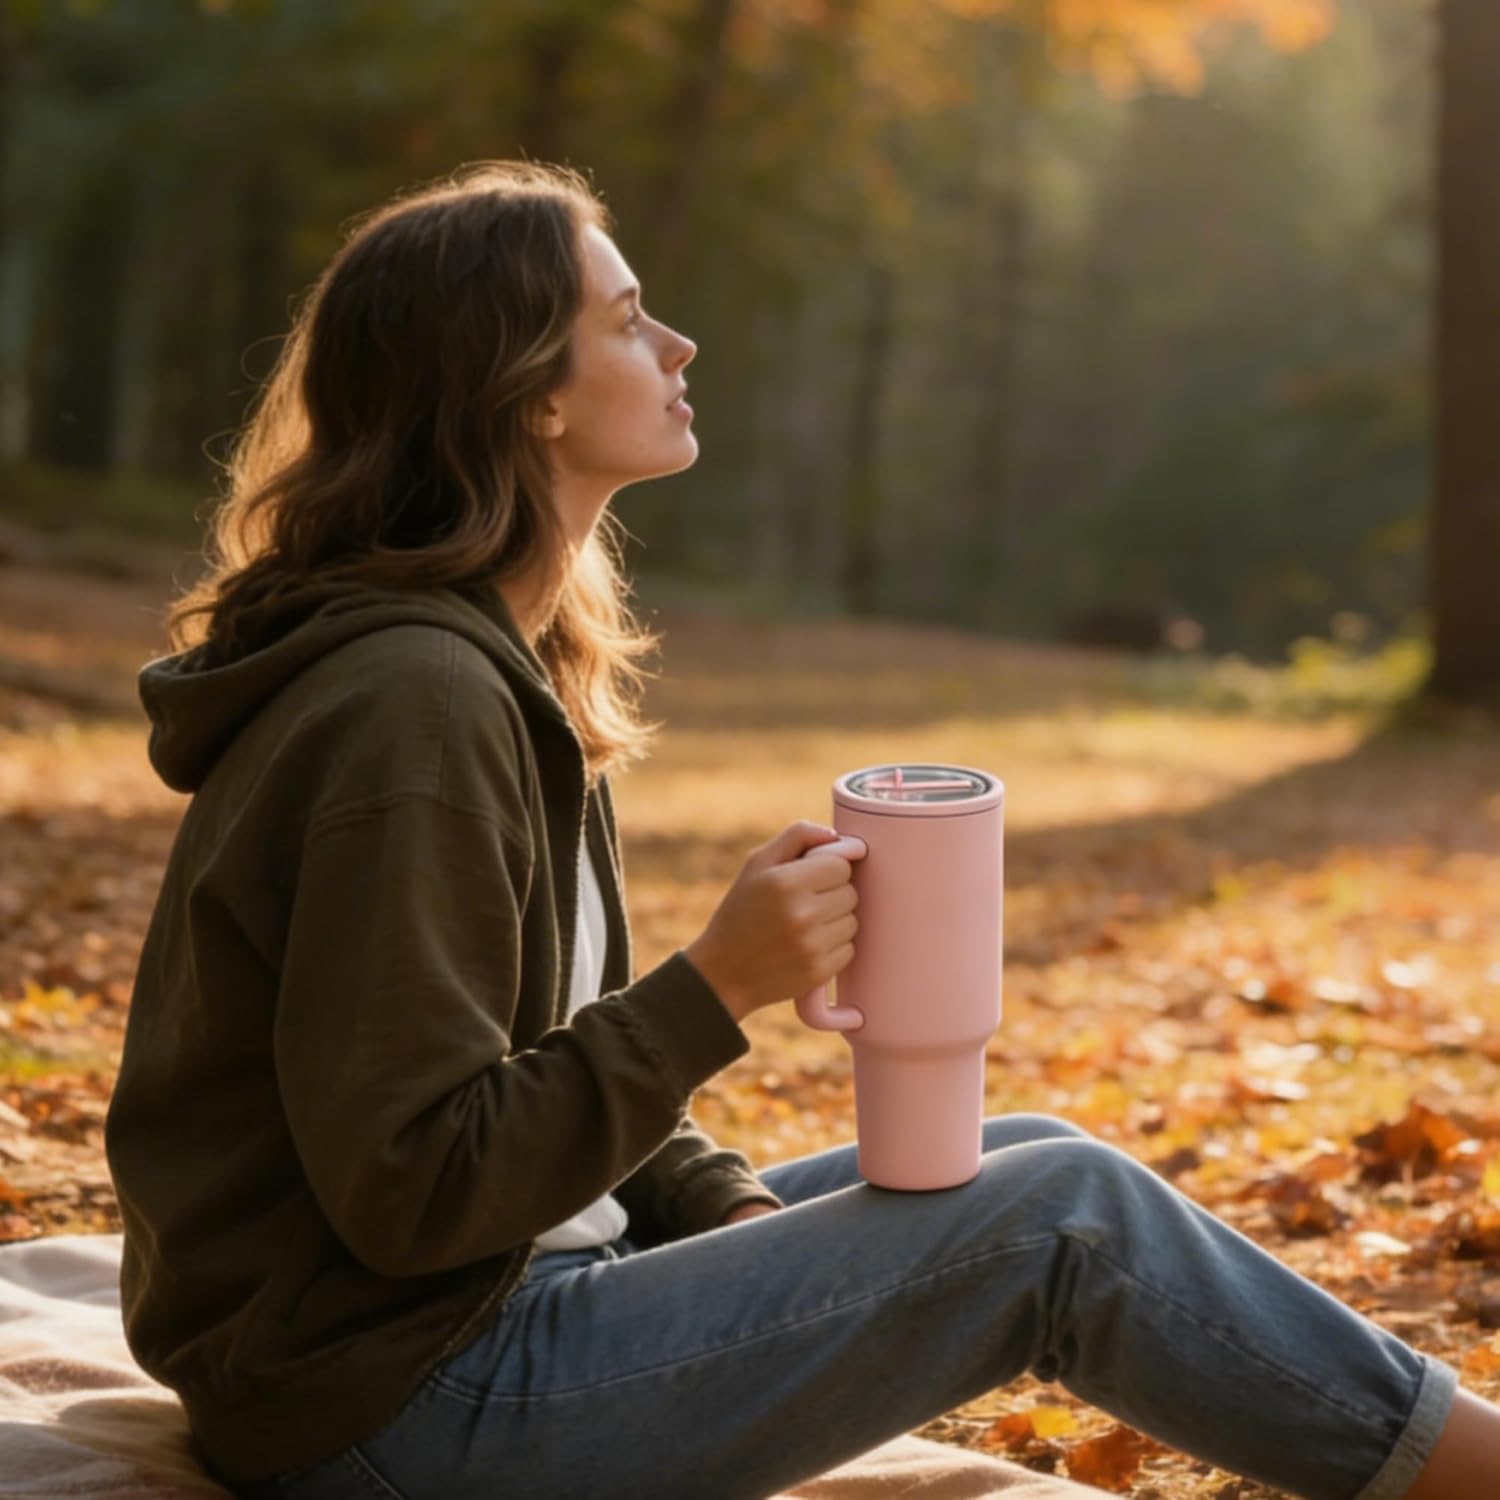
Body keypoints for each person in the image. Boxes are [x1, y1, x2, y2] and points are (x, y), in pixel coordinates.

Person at [103, 160, 1498, 1500]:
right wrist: (715, 990)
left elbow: (525, 1064)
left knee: (1011, 1154)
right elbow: (413, 1188)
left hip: (474, 1312)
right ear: (525, 392)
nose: (680, 341)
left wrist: (723, 1215)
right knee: (1062, 1216)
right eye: (628, 318)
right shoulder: (410, 710)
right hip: (390, 1411)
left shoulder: (486, 670)